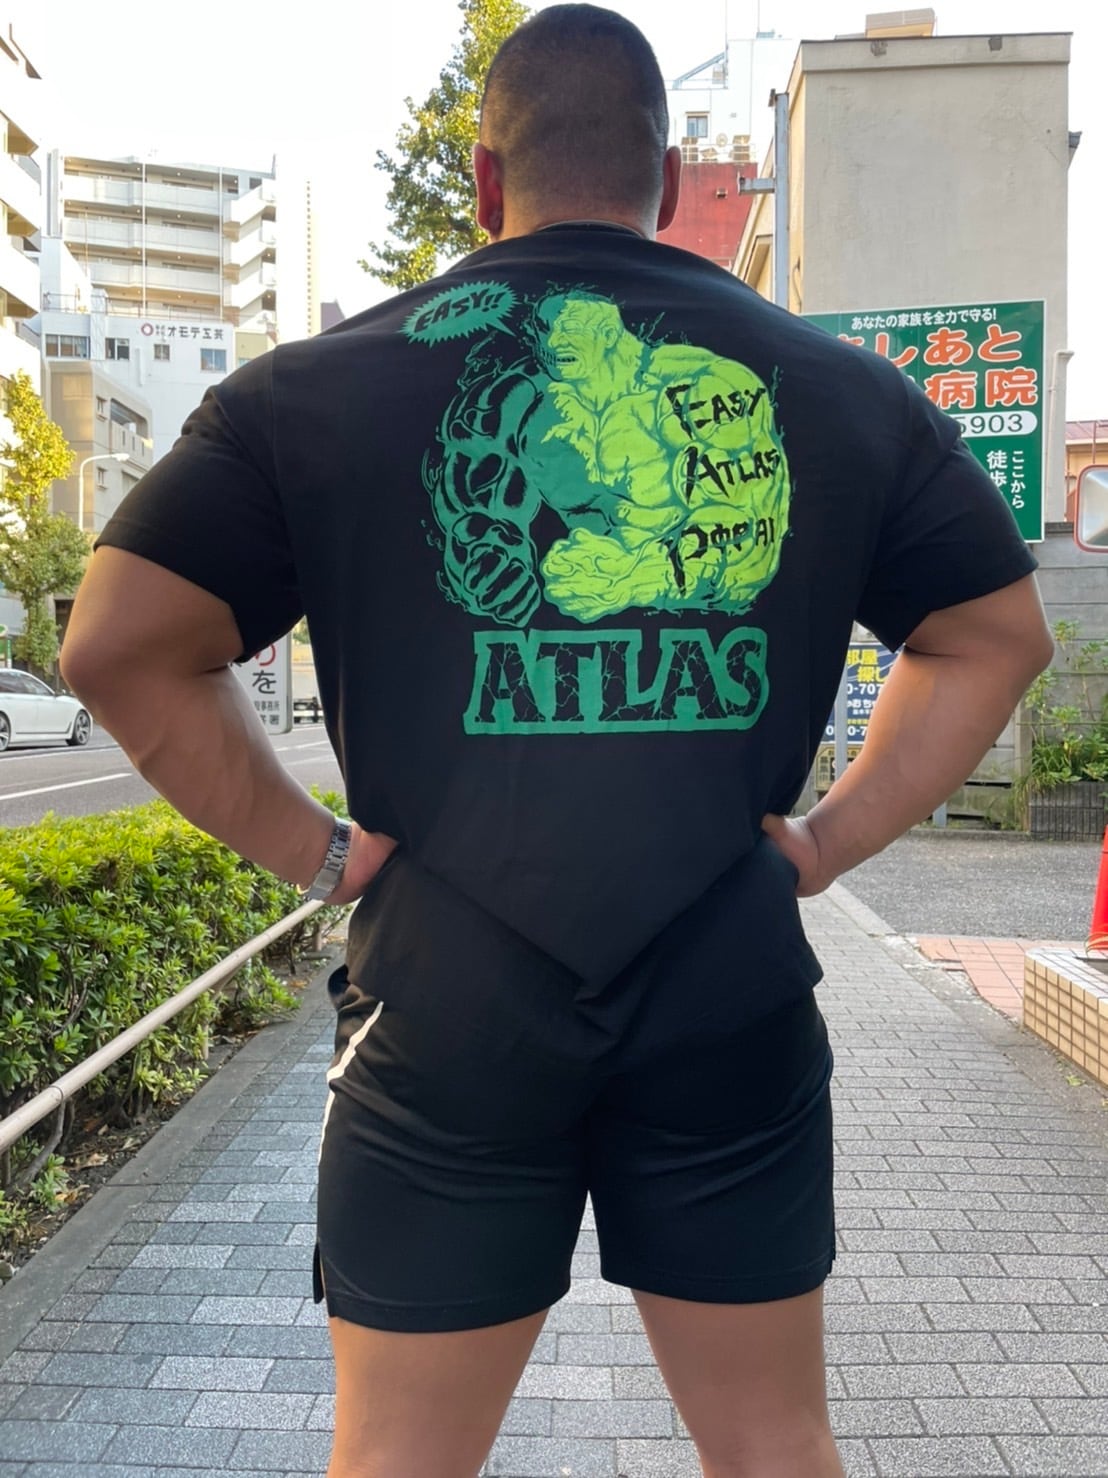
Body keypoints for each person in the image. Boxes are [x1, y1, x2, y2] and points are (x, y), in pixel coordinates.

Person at [61, 7, 1054, 1475]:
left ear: (483, 180)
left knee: (398, 1457)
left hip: (446, 994)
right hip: (725, 977)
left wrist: (317, 853)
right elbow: (997, 636)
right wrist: (824, 844)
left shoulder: (310, 394)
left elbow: (115, 643)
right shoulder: (843, 391)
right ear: (668, 186)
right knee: (775, 1442)